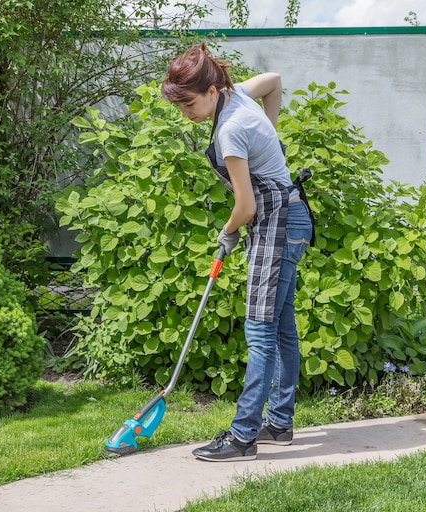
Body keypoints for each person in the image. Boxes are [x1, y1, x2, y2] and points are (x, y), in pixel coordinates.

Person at [161, 43, 313, 461]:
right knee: (280, 326)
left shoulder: (231, 129)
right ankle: (279, 425)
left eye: (188, 103)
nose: (186, 113)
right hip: (287, 218)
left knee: (260, 331)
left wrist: (227, 233)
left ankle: (243, 436)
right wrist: (271, 131)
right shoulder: (238, 94)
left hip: (276, 224)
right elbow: (275, 81)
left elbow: (244, 208)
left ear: (211, 91)